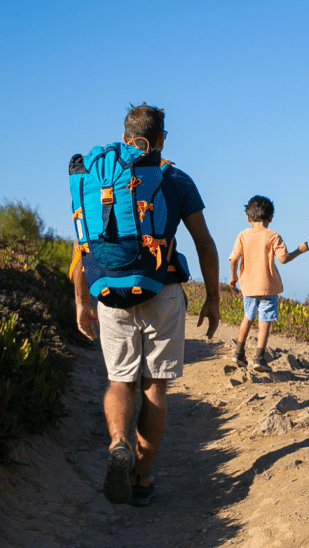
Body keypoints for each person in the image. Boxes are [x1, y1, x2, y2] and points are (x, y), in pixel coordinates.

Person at [73, 103, 221, 507]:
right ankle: (141, 477)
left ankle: (118, 442)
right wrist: (212, 297)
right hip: (162, 290)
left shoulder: (96, 177)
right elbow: (204, 241)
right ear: (162, 139)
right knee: (155, 387)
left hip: (108, 292)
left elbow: (82, 242)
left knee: (119, 381)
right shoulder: (175, 178)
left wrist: (80, 301)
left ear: (124, 135)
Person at [227, 195, 309, 371]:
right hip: (268, 287)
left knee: (247, 319)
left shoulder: (242, 235)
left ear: (248, 217)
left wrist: (233, 278)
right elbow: (283, 259)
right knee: (265, 321)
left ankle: (239, 354)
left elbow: (233, 259)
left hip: (247, 286)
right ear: (270, 217)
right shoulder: (273, 236)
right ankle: (259, 358)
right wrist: (299, 251)